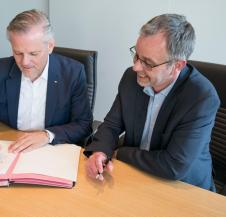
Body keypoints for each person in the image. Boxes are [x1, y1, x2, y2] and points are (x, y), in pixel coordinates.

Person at [84, 14, 220, 191]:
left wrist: (119, 153)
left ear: (177, 65)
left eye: (148, 62)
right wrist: (100, 152)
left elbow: (174, 165)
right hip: (136, 174)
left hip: (183, 188)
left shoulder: (201, 97)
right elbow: (111, 125)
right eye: (136, 56)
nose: (136, 67)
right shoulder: (130, 78)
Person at [0, 9, 92, 161]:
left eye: (33, 54)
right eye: (18, 53)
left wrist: (47, 135)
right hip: (9, 150)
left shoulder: (73, 72)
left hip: (53, 151)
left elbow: (83, 125)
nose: (25, 62)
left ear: (50, 46)